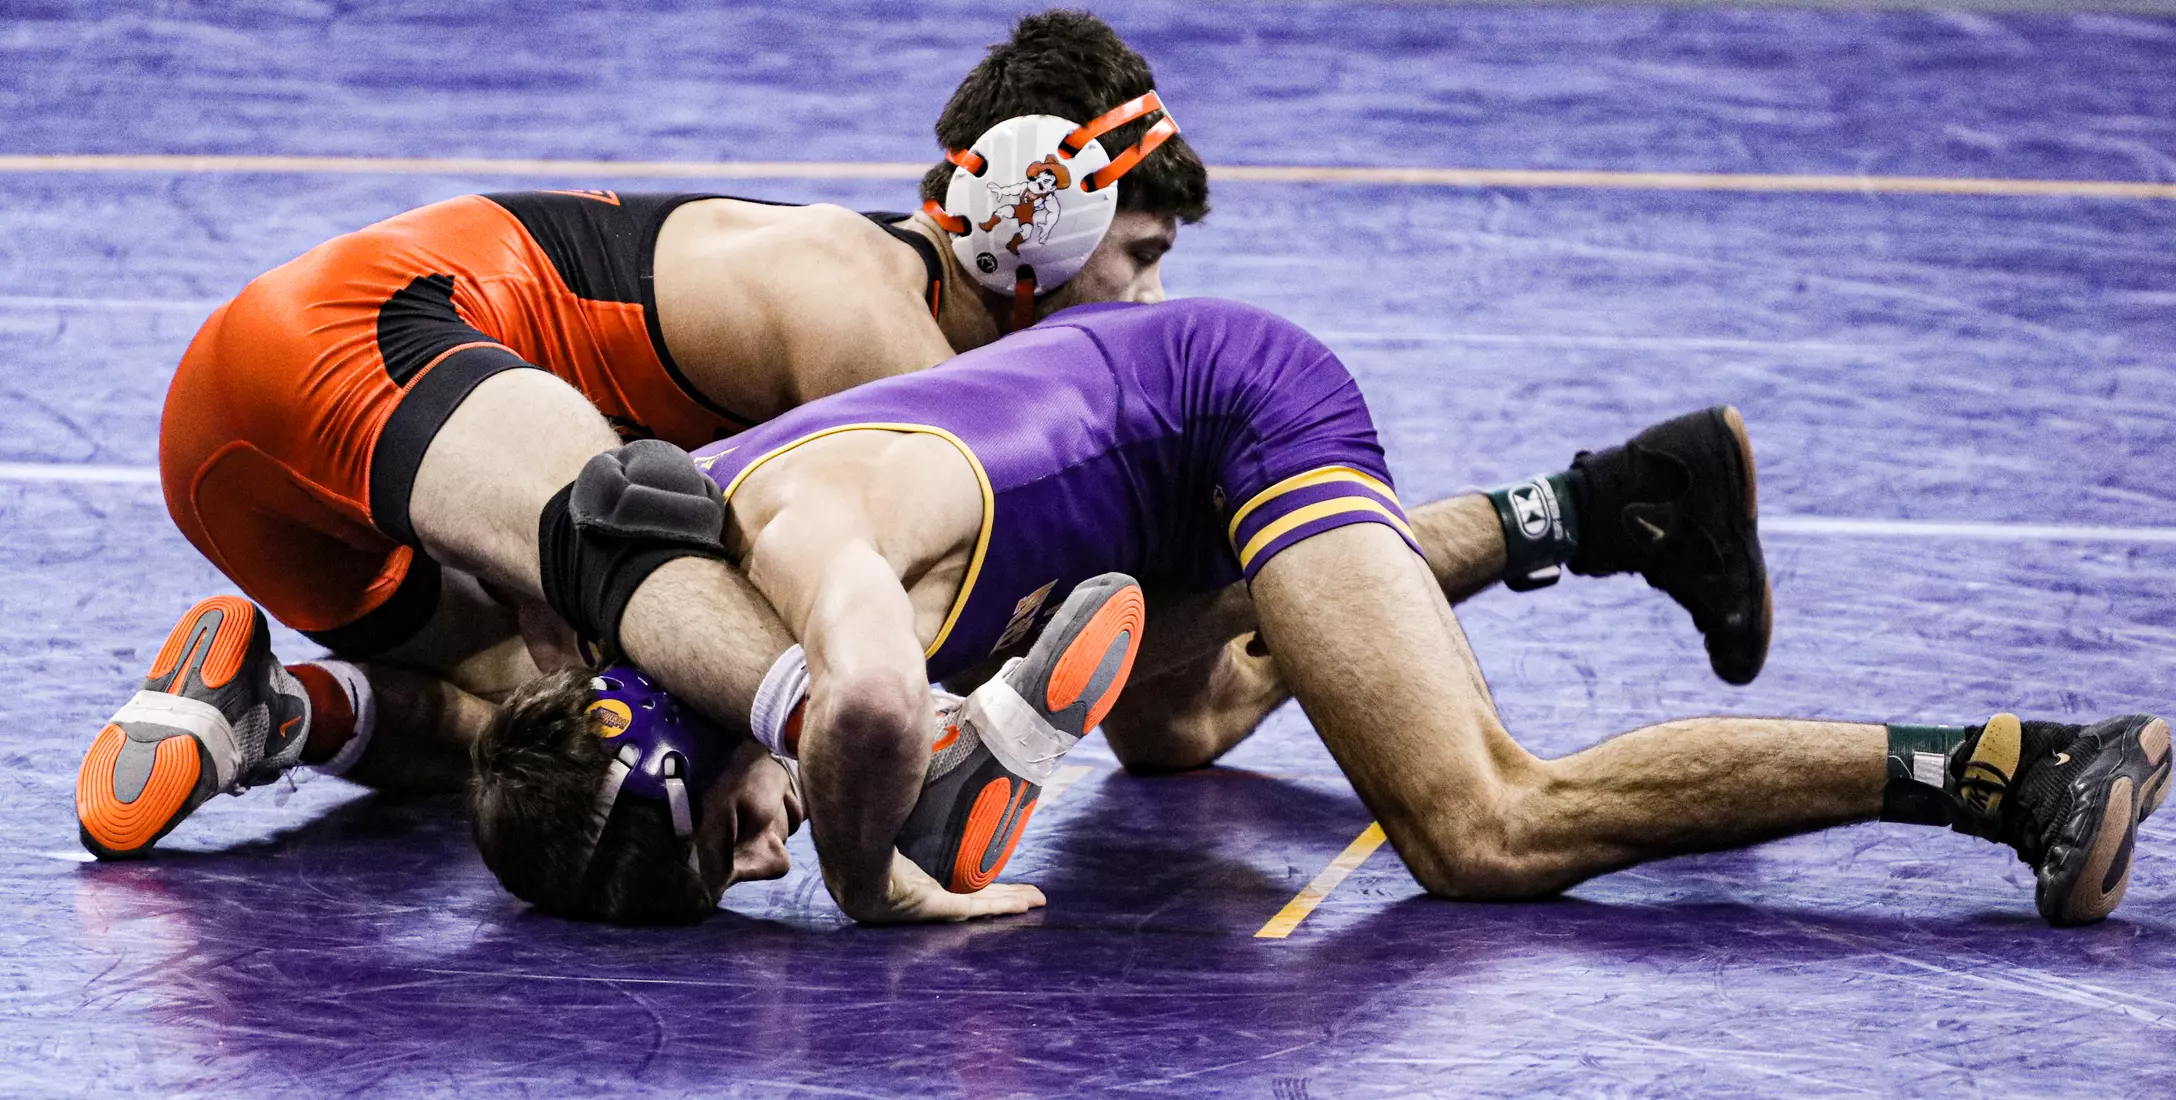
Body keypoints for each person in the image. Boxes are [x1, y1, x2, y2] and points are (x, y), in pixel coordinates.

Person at [474, 296, 2167, 930]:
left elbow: (847, 717)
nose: (762, 865)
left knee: (1483, 825)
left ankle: (2016, 770)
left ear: (684, 738)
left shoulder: (789, 556)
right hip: (1116, 472)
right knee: (1184, 732)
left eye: (727, 847)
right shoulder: (640, 627)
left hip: (1224, 414)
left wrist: (869, 883)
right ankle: (1603, 502)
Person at [74, 11, 1208, 863]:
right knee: (647, 558)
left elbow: (1146, 705)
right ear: (1037, 225)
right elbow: (974, 630)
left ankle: (270, 712)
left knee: (572, 744)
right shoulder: (865, 315)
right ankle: (854, 739)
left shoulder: (910, 326)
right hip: (349, 335)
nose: (1152, 305)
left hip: (271, 463)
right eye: (1142, 255)